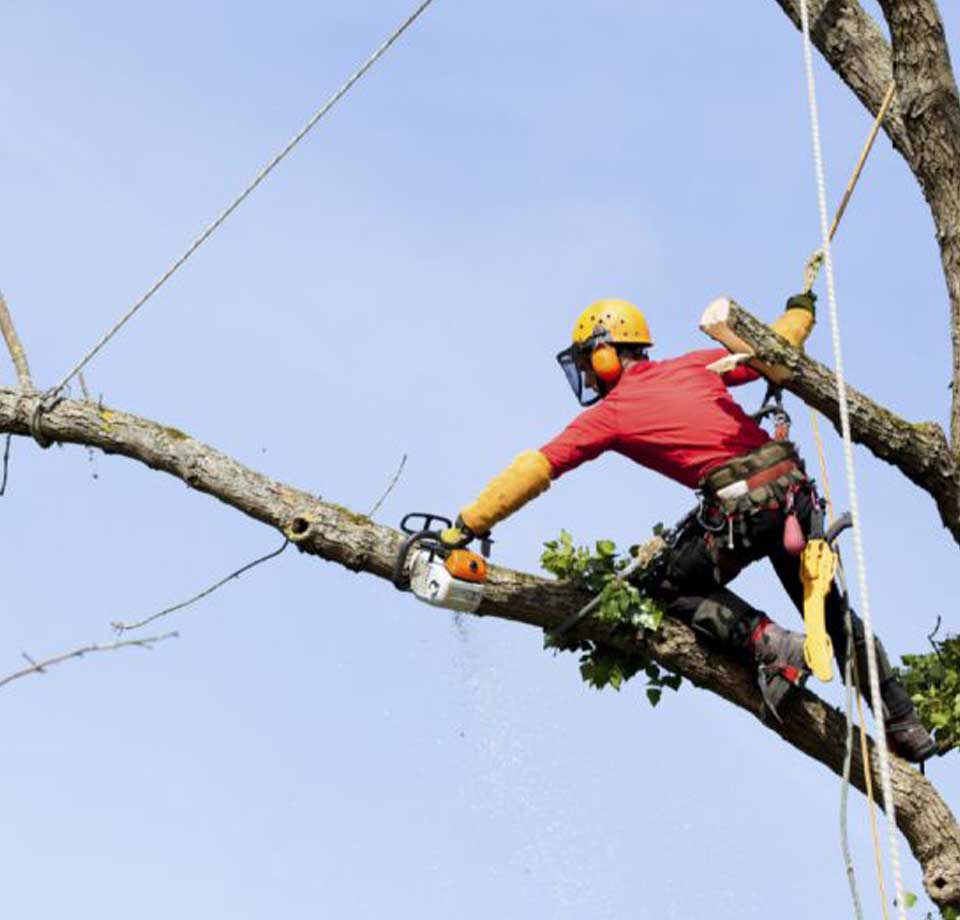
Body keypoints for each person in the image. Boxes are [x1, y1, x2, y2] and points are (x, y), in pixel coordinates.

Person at [442, 297, 936, 763]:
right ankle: (904, 723)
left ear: (606, 352)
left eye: (589, 363)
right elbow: (772, 346)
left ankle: (771, 644)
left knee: (666, 587)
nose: (590, 377)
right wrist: (799, 311)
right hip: (793, 495)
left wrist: (467, 523)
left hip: (744, 510)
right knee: (830, 615)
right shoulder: (694, 365)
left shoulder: (610, 414)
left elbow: (537, 467)